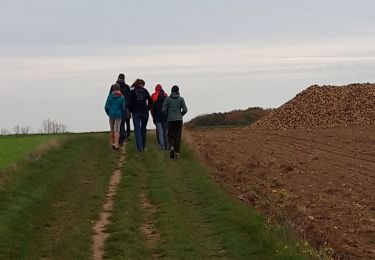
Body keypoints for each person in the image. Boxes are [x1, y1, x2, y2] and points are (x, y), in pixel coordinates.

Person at [162, 85, 188, 159]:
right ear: (178, 91)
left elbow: (163, 110)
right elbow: (185, 110)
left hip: (170, 119)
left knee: (169, 135)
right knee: (178, 136)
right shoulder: (181, 99)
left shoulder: (167, 99)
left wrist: (167, 115)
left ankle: (171, 146)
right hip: (179, 120)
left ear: (171, 91)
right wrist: (180, 115)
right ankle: (177, 153)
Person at [129, 79, 152, 152]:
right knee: (143, 129)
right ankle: (144, 146)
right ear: (141, 84)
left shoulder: (132, 91)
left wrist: (131, 110)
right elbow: (150, 101)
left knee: (137, 130)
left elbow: (130, 103)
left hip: (136, 112)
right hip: (145, 112)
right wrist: (147, 108)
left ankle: (140, 147)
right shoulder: (145, 91)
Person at [109, 73, 131, 145]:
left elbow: (110, 97)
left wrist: (109, 109)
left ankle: (115, 141)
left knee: (114, 126)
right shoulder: (127, 87)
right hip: (125, 107)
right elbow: (129, 98)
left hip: (114, 109)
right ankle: (122, 139)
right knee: (122, 124)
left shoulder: (113, 87)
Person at [104, 83, 126, 150]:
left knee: (112, 129)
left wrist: (108, 113)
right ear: (119, 89)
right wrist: (122, 114)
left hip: (111, 114)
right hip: (118, 115)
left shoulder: (110, 96)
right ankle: (116, 145)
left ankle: (113, 143)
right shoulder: (122, 97)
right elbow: (123, 108)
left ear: (113, 89)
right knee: (117, 130)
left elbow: (106, 106)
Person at [151, 84, 168, 150]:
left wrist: (153, 117)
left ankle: (161, 144)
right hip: (165, 117)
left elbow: (152, 109)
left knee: (159, 131)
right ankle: (166, 143)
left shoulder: (153, 96)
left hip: (157, 117)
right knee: (165, 131)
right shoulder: (165, 95)